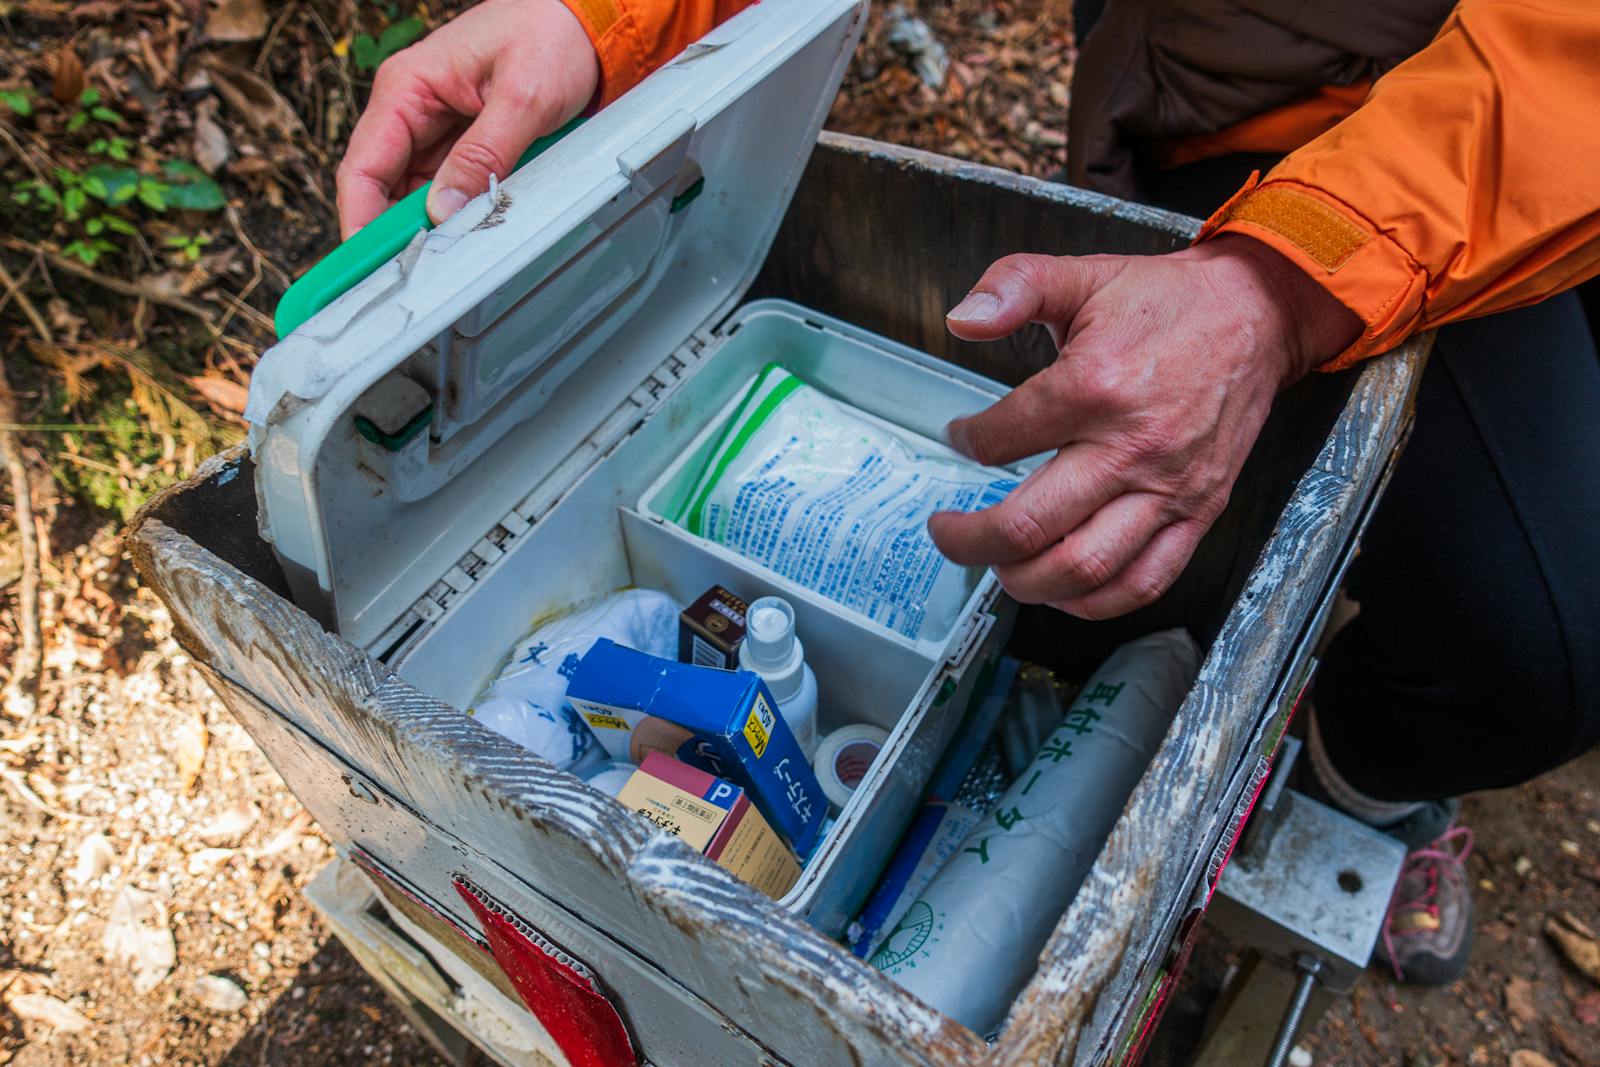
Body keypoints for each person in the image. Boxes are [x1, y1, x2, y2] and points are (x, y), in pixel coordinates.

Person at [334, 0, 1600, 987]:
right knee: (1526, 633)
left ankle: (1349, 780)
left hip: (1519, 112)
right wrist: (595, 22)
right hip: (1253, 91)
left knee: (1539, 653)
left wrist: (1288, 282)